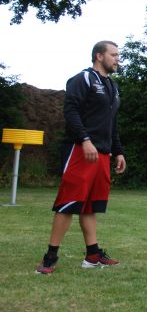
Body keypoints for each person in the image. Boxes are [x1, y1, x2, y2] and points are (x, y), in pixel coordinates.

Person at [35, 41, 126, 274]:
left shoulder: (113, 87)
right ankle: (49, 258)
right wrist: (85, 140)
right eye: (114, 55)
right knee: (68, 204)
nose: (118, 59)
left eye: (118, 55)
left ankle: (93, 256)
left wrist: (118, 151)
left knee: (90, 206)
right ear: (99, 56)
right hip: (80, 150)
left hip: (102, 155)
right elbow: (71, 111)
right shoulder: (82, 79)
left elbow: (111, 123)